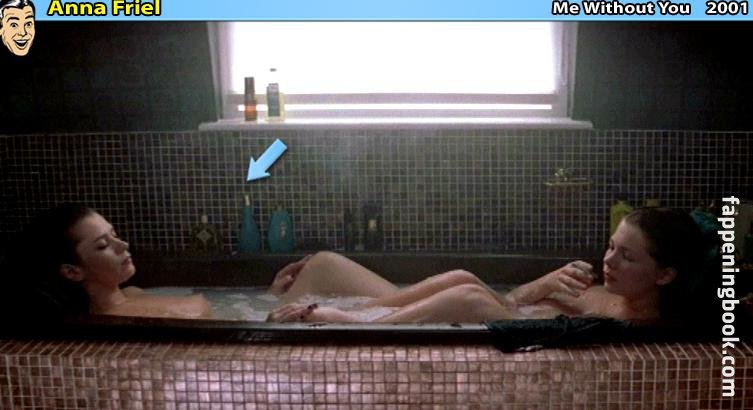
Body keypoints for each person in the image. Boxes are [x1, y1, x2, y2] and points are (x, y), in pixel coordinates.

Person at [266, 207, 706, 323]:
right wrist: (543, 284)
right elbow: (514, 302)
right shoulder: (611, 293)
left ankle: (351, 321)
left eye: (626, 256)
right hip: (498, 314)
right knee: (324, 264)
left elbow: (511, 315)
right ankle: (275, 310)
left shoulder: (642, 325)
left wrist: (532, 297)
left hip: (500, 327)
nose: (608, 261)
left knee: (471, 295)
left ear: (665, 274)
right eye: (610, 247)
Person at [2, 204, 213, 320]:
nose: (123, 245)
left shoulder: (131, 293)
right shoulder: (113, 319)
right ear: (72, 271)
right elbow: (198, 310)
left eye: (114, 235)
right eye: (103, 245)